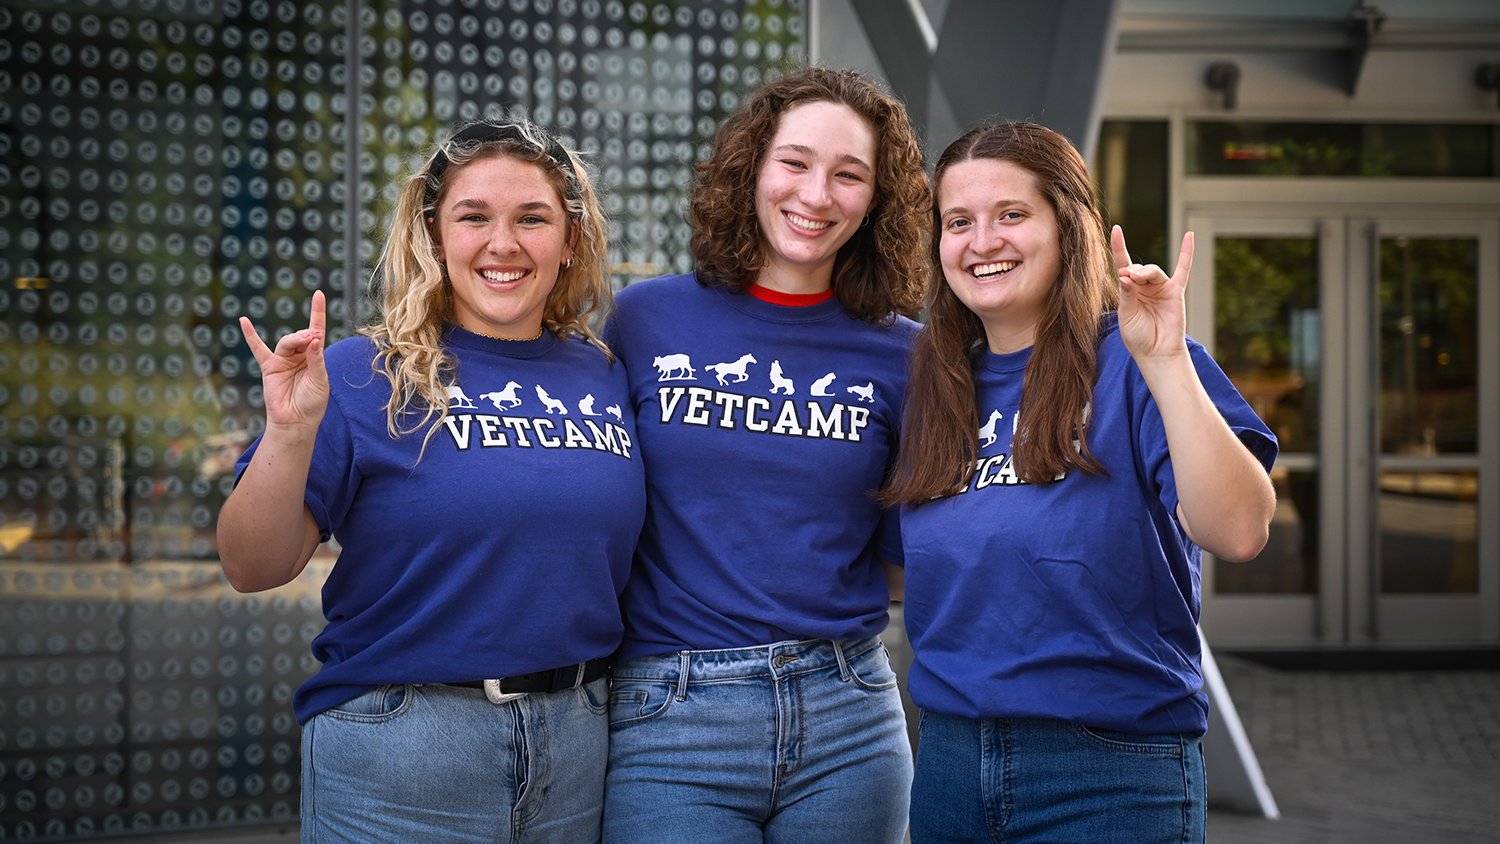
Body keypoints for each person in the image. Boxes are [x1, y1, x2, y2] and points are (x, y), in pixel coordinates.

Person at [216, 120, 645, 843]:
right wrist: (290, 433)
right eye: (473, 217)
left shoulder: (604, 373)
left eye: (532, 218)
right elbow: (252, 565)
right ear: (433, 235)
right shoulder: (359, 373)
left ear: (569, 240)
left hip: (578, 747)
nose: (502, 243)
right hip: (403, 754)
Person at [880, 122, 1278, 843]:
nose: (982, 242)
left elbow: (1240, 531)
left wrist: (1164, 363)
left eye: (1011, 215)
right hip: (948, 767)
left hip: (1110, 774)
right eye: (957, 222)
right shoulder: (932, 389)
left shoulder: (1136, 362)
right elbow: (903, 575)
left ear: (1068, 226)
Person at [600, 68, 930, 844]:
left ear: (877, 199)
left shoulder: (908, 355)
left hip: (849, 714)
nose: (817, 194)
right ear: (752, 169)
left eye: (850, 174)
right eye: (795, 162)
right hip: (671, 714)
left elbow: (902, 553)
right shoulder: (646, 319)